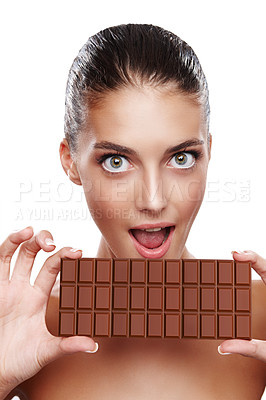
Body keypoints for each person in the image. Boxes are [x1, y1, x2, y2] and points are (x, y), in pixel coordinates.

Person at [1, 23, 266, 400]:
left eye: (181, 157)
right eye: (116, 161)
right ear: (71, 162)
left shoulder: (261, 316)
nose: (153, 199)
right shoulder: (26, 325)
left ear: (208, 152)